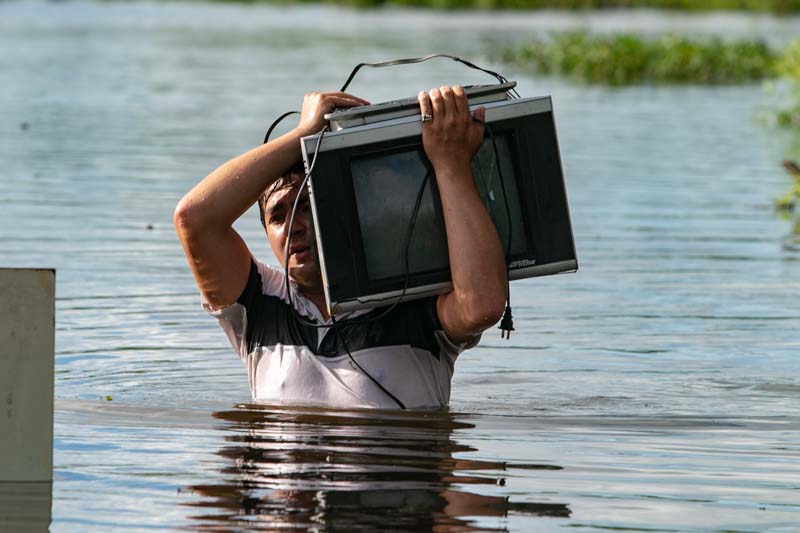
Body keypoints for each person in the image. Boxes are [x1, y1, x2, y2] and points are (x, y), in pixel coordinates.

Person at [174, 85, 507, 409]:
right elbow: (194, 220)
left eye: (307, 205)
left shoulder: (408, 300)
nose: (294, 227)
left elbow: (483, 305)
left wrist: (451, 165)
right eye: (278, 216)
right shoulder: (259, 308)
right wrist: (302, 134)